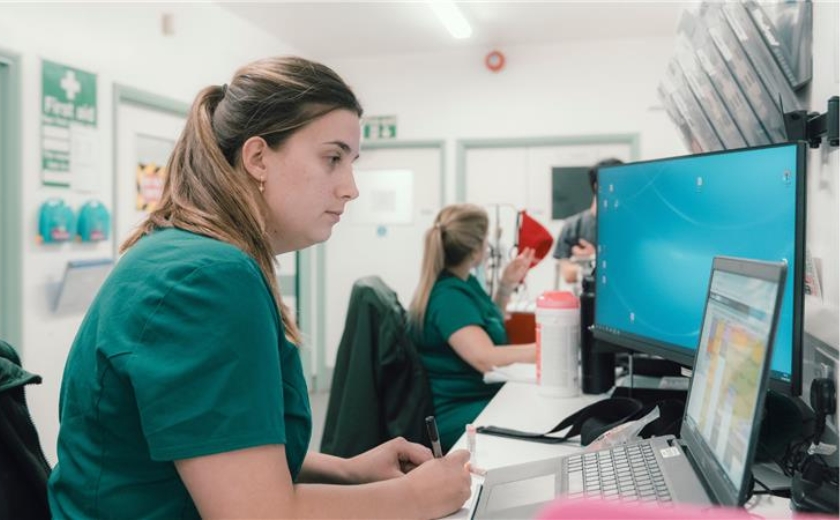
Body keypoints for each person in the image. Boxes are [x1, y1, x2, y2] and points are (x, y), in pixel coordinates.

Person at [47, 56, 471, 520]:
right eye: (332, 158)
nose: (350, 188)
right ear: (257, 158)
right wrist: (413, 499)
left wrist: (345, 472)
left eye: (352, 163)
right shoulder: (206, 280)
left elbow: (205, 446)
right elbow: (254, 513)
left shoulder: (184, 254)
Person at [408, 204, 537, 452]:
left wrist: (506, 285)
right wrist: (545, 348)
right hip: (461, 413)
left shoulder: (464, 282)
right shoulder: (448, 298)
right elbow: (485, 358)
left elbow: (489, 325)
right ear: (476, 250)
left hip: (481, 398)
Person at [553, 158, 624, 286]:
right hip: (586, 300)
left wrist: (592, 259)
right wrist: (599, 262)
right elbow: (568, 274)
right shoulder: (572, 226)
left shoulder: (627, 226)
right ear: (598, 185)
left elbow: (630, 268)